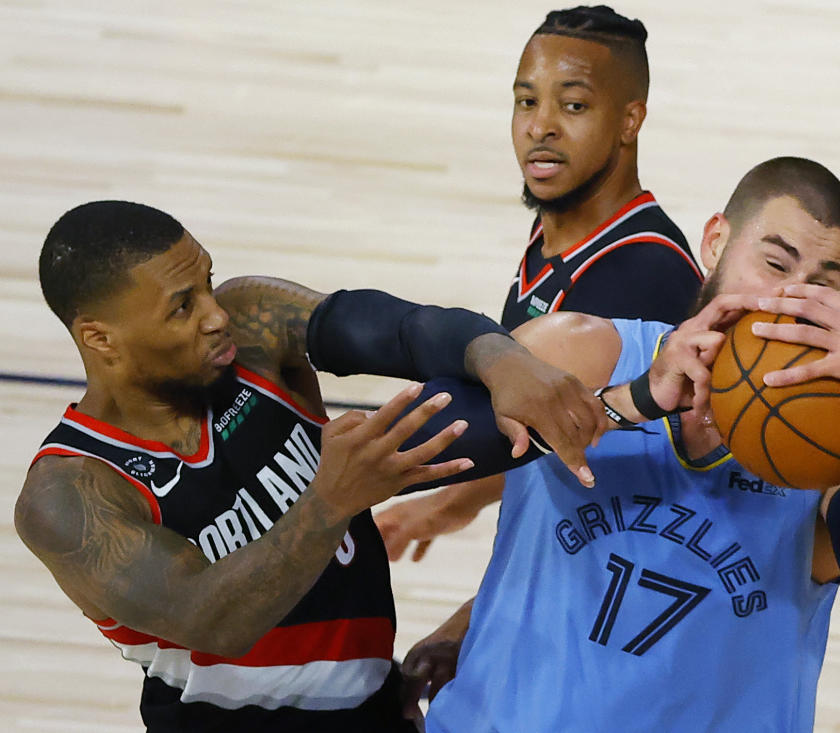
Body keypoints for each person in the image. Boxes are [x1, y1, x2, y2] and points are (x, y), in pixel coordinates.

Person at [13, 200, 607, 732]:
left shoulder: (250, 326)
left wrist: (499, 357)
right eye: (182, 307)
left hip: (372, 709)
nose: (214, 314)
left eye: (207, 283)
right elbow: (208, 617)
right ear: (101, 339)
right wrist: (328, 502)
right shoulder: (69, 493)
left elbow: (402, 330)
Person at [408, 157, 840, 731]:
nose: (789, 299)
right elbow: (424, 445)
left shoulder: (832, 449)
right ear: (715, 242)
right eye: (773, 264)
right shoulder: (581, 352)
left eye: (823, 285)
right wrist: (635, 398)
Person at [376, 5, 704, 562]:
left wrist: (441, 508)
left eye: (573, 106)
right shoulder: (563, 225)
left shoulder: (639, 273)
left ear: (630, 121)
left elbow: (565, 448)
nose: (539, 126)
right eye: (527, 101)